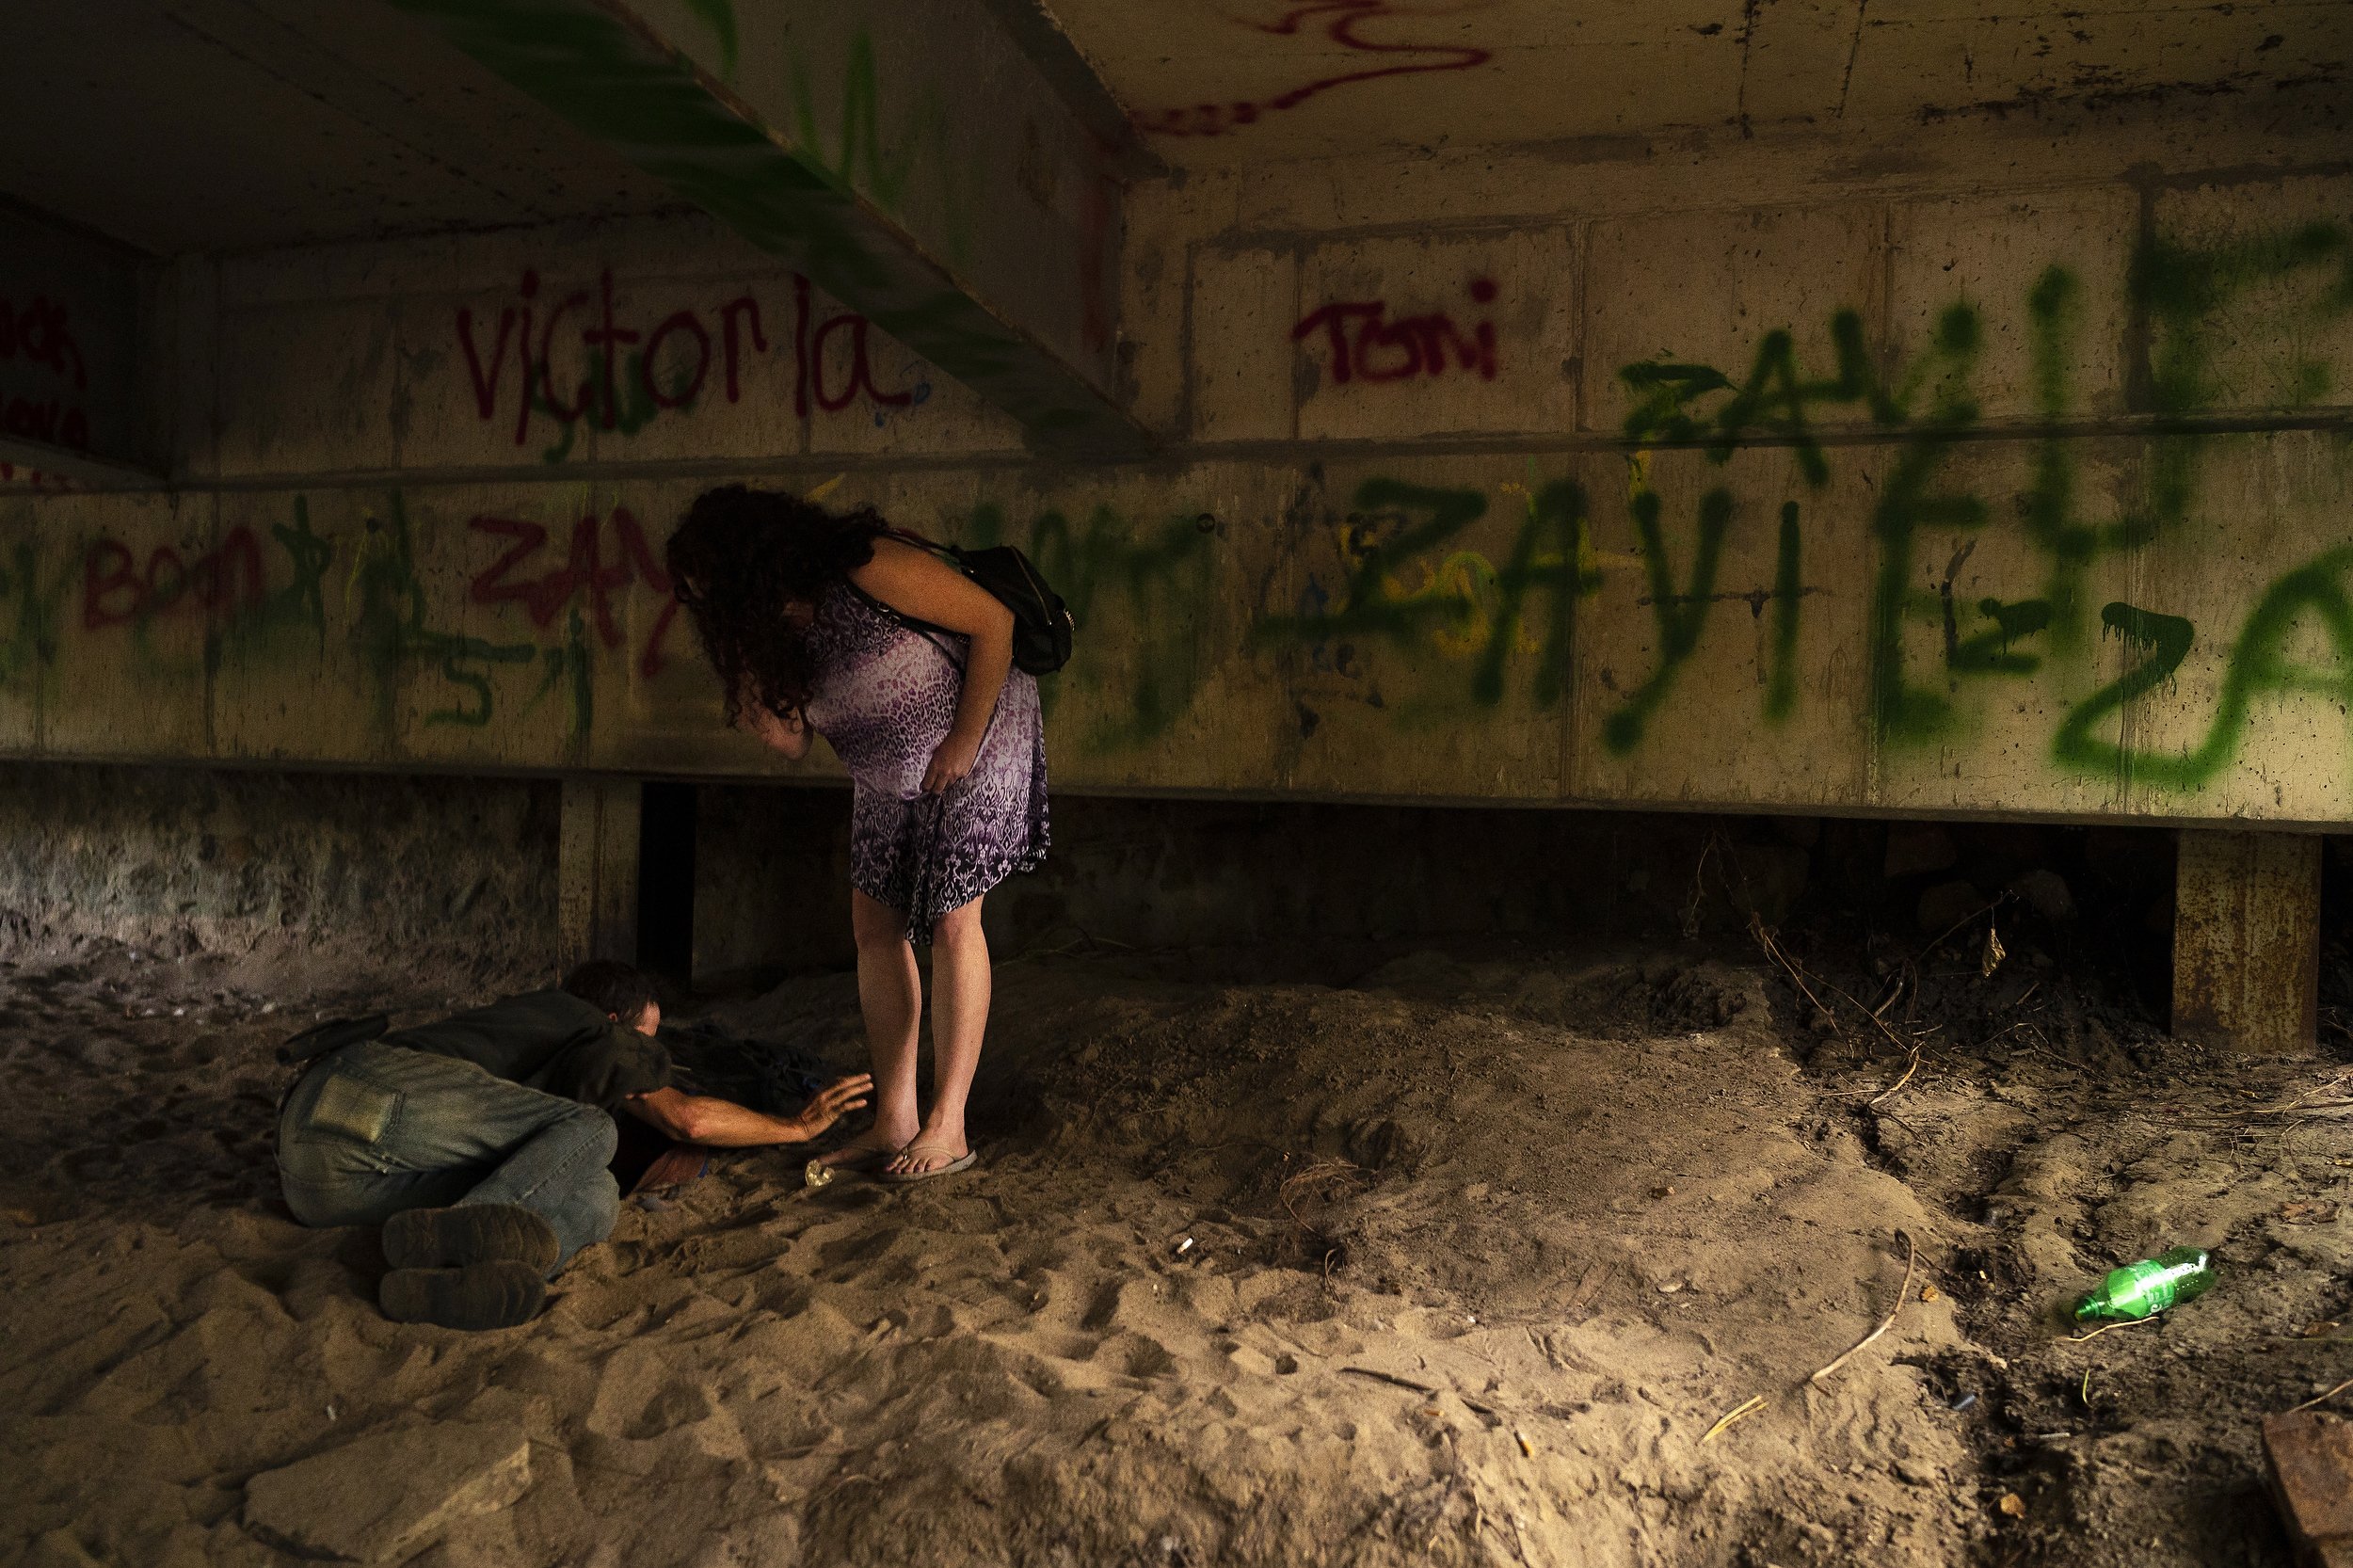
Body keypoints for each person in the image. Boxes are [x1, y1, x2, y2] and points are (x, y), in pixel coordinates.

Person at [665, 487, 1048, 1182]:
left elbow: (994, 623)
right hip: (883, 770)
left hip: (978, 736)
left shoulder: (864, 566)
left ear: (746, 560)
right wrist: (749, 691)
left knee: (953, 924)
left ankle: (949, 1124)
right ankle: (896, 1118)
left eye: (709, 584)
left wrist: (964, 738)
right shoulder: (768, 634)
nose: (703, 603)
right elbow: (791, 744)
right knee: (875, 928)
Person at [273, 960, 872, 1331]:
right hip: (357, 1087)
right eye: (646, 1039)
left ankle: (441, 1281)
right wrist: (796, 1127)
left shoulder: (523, 1046)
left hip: (318, 1183)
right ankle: (460, 1243)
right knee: (593, 1130)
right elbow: (685, 1120)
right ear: (613, 1018)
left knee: (598, 1197)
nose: (646, 1059)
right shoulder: (584, 1023)